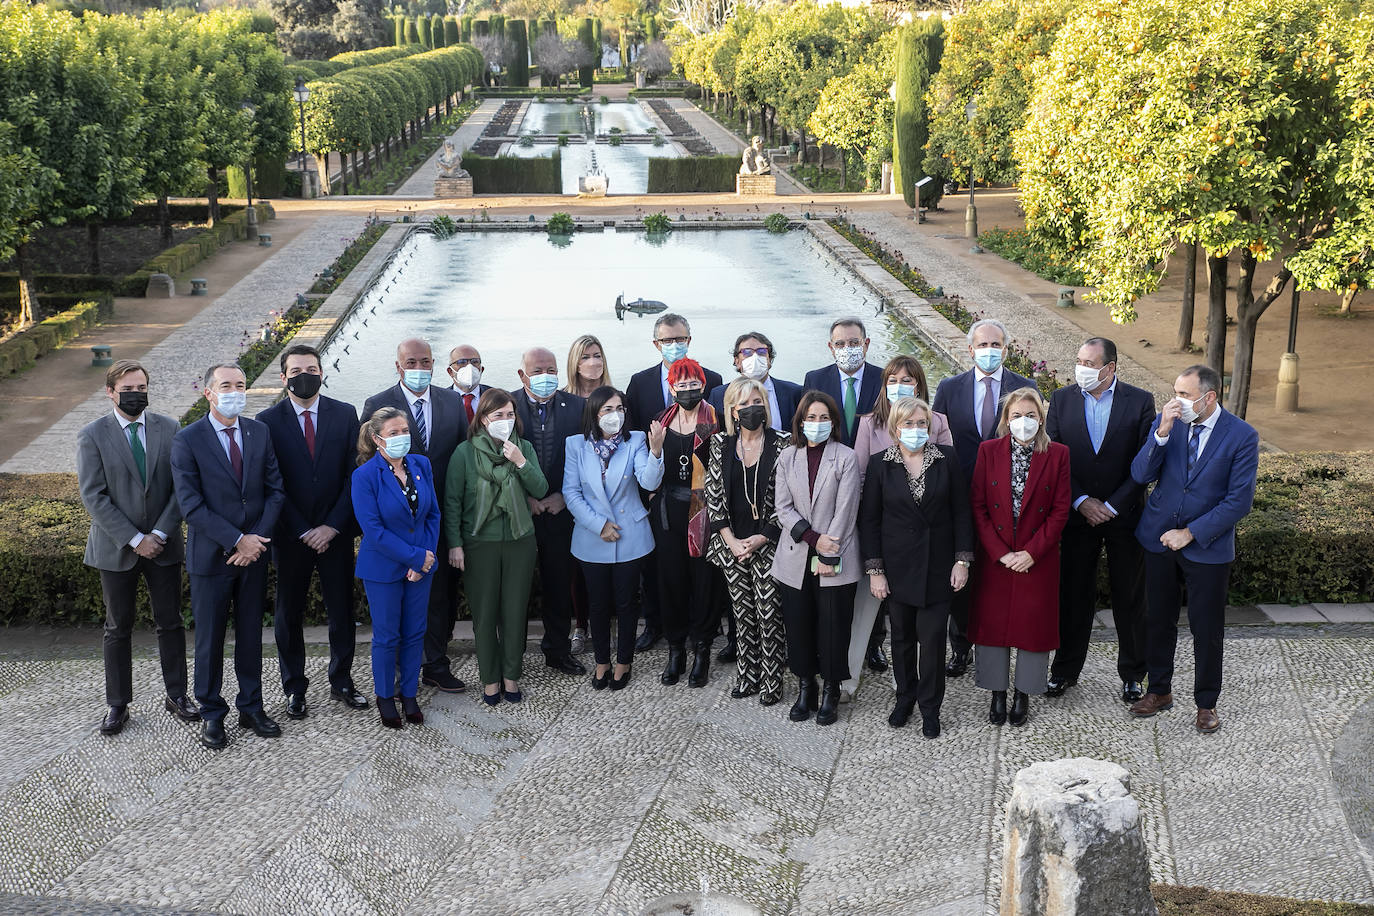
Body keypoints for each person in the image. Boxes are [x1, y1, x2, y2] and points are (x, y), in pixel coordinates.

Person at [1128, 365, 1258, 734]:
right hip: (1157, 538)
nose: (1176, 401)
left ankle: (1206, 703)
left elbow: (1239, 502)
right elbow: (1141, 475)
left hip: (1207, 547)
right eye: (1175, 393)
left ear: (1209, 397)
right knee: (1157, 619)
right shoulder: (1168, 423)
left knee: (1207, 627)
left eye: (1184, 395)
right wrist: (1162, 434)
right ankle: (1159, 691)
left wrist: (1190, 533)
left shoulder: (1242, 436)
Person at [77, 360, 197, 736]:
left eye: (141, 388)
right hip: (116, 549)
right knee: (118, 627)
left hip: (164, 546)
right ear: (110, 392)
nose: (135, 395)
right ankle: (117, 704)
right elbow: (93, 496)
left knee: (171, 622)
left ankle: (177, 694)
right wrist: (134, 539)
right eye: (128, 389)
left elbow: (182, 488)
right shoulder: (92, 435)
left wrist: (159, 534)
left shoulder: (170, 428)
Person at [170, 364, 285, 750]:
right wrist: (237, 540)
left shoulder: (259, 431)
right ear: (209, 393)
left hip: (254, 555)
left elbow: (275, 492)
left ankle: (251, 707)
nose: (234, 391)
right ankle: (212, 713)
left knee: (251, 635)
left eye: (240, 385)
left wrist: (255, 541)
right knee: (210, 639)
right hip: (212, 557)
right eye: (226, 386)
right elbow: (191, 506)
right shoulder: (187, 439)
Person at [1044, 338, 1156, 703]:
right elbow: (1054, 457)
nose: (1082, 368)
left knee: (1129, 595)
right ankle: (1064, 670)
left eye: (1090, 363)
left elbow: (1145, 462)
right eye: (1078, 360)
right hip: (1077, 516)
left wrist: (1111, 504)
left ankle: (1133, 674)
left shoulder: (1139, 401)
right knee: (1073, 595)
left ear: (1110, 368)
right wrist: (1080, 501)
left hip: (1124, 515)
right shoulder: (1061, 400)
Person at [257, 344, 365, 719]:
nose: (306, 375)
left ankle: (342, 681)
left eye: (312, 369)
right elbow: (272, 484)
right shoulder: (266, 422)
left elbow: (355, 475)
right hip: (291, 537)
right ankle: (294, 688)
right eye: (297, 369)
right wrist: (304, 529)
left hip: (335, 533)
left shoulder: (345, 413)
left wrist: (332, 525)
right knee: (289, 614)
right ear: (283, 376)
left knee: (341, 610)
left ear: (322, 372)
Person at [860, 396, 972, 738]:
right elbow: (870, 521)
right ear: (896, 428)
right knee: (903, 638)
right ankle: (904, 697)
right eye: (908, 424)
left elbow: (961, 512)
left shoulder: (947, 459)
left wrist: (962, 561)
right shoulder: (881, 464)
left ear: (930, 427)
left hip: (939, 567)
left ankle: (930, 706)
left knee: (934, 639)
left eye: (921, 423)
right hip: (897, 569)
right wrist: (875, 570)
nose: (915, 429)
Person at [362, 337, 468, 694]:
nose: (419, 368)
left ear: (434, 363)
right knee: (394, 608)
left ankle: (436, 664)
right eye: (411, 362)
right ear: (398, 365)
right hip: (392, 529)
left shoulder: (451, 401)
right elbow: (364, 464)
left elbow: (460, 457)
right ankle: (394, 676)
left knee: (439, 598)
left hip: (434, 520)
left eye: (425, 362)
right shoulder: (377, 404)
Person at [932, 318, 1036, 678]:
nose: (988, 351)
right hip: (960, 495)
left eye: (995, 344)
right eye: (982, 344)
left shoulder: (1025, 386)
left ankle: (995, 643)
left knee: (998, 575)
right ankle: (960, 647)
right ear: (970, 349)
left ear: (1005, 349)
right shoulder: (949, 387)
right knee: (961, 571)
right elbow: (938, 441)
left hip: (1008, 500)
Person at [848, 354, 954, 688]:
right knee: (867, 609)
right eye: (892, 380)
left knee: (916, 621)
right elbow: (861, 477)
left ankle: (911, 681)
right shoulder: (869, 424)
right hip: (882, 530)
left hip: (927, 540)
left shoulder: (936, 421)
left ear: (920, 385)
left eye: (907, 380)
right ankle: (848, 679)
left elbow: (948, 477)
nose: (899, 386)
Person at [969, 388, 1070, 729]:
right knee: (993, 625)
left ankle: (1024, 693)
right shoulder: (988, 451)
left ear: (1040, 419)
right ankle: (997, 691)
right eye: (1016, 416)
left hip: (1036, 557)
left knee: (1032, 627)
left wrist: (1031, 552)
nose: (1022, 422)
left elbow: (1059, 511)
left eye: (1030, 416)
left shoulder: (1058, 454)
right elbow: (979, 506)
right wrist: (999, 553)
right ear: (1005, 419)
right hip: (996, 555)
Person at [625, 314, 724, 652]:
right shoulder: (639, 383)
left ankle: (703, 639)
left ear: (689, 340)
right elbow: (636, 439)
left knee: (702, 574)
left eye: (680, 338)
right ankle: (657, 627)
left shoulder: (713, 379)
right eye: (667, 340)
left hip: (703, 502)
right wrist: (648, 493)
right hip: (661, 498)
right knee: (660, 572)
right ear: (656, 344)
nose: (674, 345)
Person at [445, 390, 549, 705]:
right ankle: (490, 680)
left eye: (509, 415)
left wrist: (520, 462)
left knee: (515, 612)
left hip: (520, 541)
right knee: (485, 615)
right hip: (480, 544)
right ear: (483, 419)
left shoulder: (524, 448)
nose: (505, 421)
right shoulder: (464, 453)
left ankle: (511, 677)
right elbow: (452, 503)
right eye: (497, 415)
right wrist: (455, 545)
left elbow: (541, 488)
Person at [563, 387, 665, 689]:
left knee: (626, 602)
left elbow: (648, 482)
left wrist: (656, 451)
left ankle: (623, 662)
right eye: (607, 409)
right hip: (592, 536)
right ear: (594, 413)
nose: (615, 415)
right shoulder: (576, 445)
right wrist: (599, 525)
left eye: (620, 409)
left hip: (630, 535)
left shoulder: (634, 440)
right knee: (597, 604)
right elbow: (571, 492)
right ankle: (601, 662)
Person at [772, 391, 861, 725]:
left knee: (833, 626)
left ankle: (831, 689)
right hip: (796, 555)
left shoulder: (846, 457)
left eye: (824, 418)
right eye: (811, 418)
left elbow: (847, 510)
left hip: (835, 555)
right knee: (799, 625)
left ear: (834, 422)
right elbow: (782, 507)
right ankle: (805, 685)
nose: (817, 424)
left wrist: (828, 547)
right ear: (800, 422)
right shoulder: (788, 456)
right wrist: (811, 538)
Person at [704, 378, 791, 705]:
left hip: (769, 542)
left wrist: (760, 538)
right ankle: (747, 674)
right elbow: (713, 497)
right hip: (731, 545)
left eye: (757, 401)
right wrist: (731, 540)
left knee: (769, 614)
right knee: (742, 614)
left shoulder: (782, 444)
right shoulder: (719, 445)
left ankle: (772, 680)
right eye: (743, 404)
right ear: (732, 410)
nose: (751, 409)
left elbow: (787, 500)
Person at [352, 407, 440, 728]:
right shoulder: (364, 477)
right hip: (384, 569)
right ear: (377, 440)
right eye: (393, 433)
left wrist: (425, 557)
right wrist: (414, 558)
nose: (402, 437)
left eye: (405, 431)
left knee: (415, 633)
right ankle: (385, 696)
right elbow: (373, 530)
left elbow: (432, 515)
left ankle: (409, 693)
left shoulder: (421, 465)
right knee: (388, 637)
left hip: (421, 567)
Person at [512, 346, 587, 677]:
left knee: (559, 585)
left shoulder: (579, 407)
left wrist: (564, 498)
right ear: (522, 374)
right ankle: (511, 655)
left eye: (551, 370)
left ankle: (557, 650)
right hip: (519, 514)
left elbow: (588, 458)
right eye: (538, 370)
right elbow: (495, 458)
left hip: (561, 513)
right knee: (516, 587)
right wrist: (524, 496)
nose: (546, 377)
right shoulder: (506, 406)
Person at [648, 357, 720, 687]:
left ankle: (701, 649)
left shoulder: (714, 421)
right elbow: (652, 475)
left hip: (703, 508)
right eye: (682, 384)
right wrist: (656, 449)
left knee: (703, 581)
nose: (688, 390)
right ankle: (675, 649)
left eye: (694, 384)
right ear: (671, 387)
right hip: (668, 512)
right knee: (671, 581)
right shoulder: (660, 423)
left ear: (703, 386)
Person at [802, 318, 883, 448]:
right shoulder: (815, 380)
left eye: (854, 342)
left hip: (873, 461)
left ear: (866, 344)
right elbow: (807, 425)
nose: (847, 349)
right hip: (830, 460)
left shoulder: (884, 379)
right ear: (831, 347)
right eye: (840, 344)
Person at [707, 332, 804, 433]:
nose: (755, 357)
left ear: (769, 359)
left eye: (761, 352)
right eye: (747, 352)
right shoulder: (718, 395)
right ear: (737, 361)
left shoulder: (794, 393)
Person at [446, 344, 491, 424]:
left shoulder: (496, 396)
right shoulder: (440, 401)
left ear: (482, 370)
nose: (469, 366)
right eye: (461, 362)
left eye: (475, 361)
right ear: (450, 372)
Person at [565, 334, 614, 398]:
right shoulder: (562, 399)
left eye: (597, 356)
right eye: (585, 357)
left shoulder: (615, 397)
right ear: (575, 363)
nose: (592, 363)